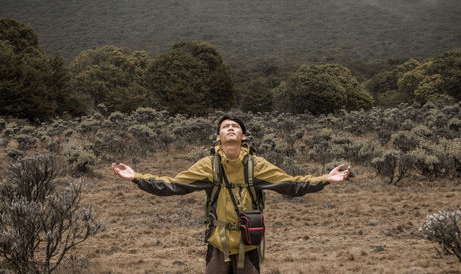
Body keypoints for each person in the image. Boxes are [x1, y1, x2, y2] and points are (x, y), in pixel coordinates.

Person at [112, 115, 350, 274]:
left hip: (249, 247)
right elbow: (174, 185)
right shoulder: (208, 166)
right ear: (218, 137)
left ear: (243, 136)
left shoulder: (256, 165)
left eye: (235, 126)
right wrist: (137, 177)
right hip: (218, 246)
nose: (230, 128)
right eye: (225, 126)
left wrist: (325, 179)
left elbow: (292, 184)